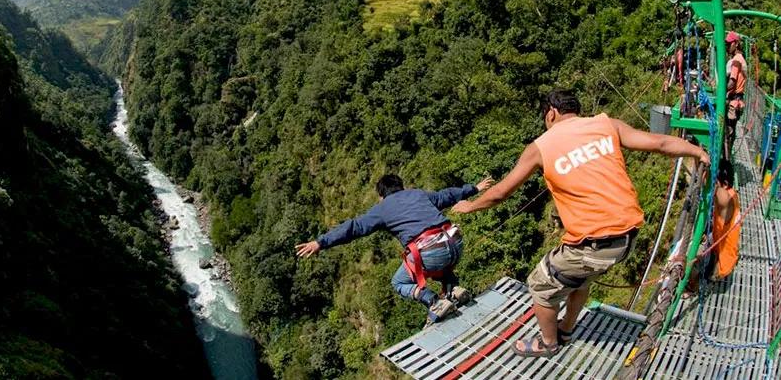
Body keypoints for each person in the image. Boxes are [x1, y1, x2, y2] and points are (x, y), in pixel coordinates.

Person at [451, 89, 709, 357]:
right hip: (628, 237)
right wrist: (696, 151)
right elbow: (660, 143)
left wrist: (470, 205)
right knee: (579, 277)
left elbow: (501, 192)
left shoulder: (541, 146)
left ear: (551, 113)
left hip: (594, 245)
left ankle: (549, 343)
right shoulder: (606, 124)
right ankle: (566, 327)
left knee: (539, 284)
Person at [296, 174, 494, 326]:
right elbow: (448, 195)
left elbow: (353, 227)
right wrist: (475, 188)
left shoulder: (382, 209)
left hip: (430, 250)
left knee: (399, 281)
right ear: (402, 187)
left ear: (381, 196)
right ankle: (454, 290)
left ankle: (434, 301)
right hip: (454, 241)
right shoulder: (418, 194)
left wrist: (320, 242)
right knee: (438, 260)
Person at [709, 159, 741, 280]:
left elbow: (723, 198)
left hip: (721, 265)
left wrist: (713, 184)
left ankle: (695, 286)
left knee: (688, 265)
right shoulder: (733, 193)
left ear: (725, 184)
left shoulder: (727, 202)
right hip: (723, 252)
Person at [725, 31, 748, 158]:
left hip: (734, 102)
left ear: (736, 44)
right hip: (738, 101)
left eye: (729, 44)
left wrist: (722, 92)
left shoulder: (736, 61)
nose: (727, 47)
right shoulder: (740, 59)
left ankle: (725, 163)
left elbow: (732, 82)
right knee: (730, 134)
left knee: (728, 133)